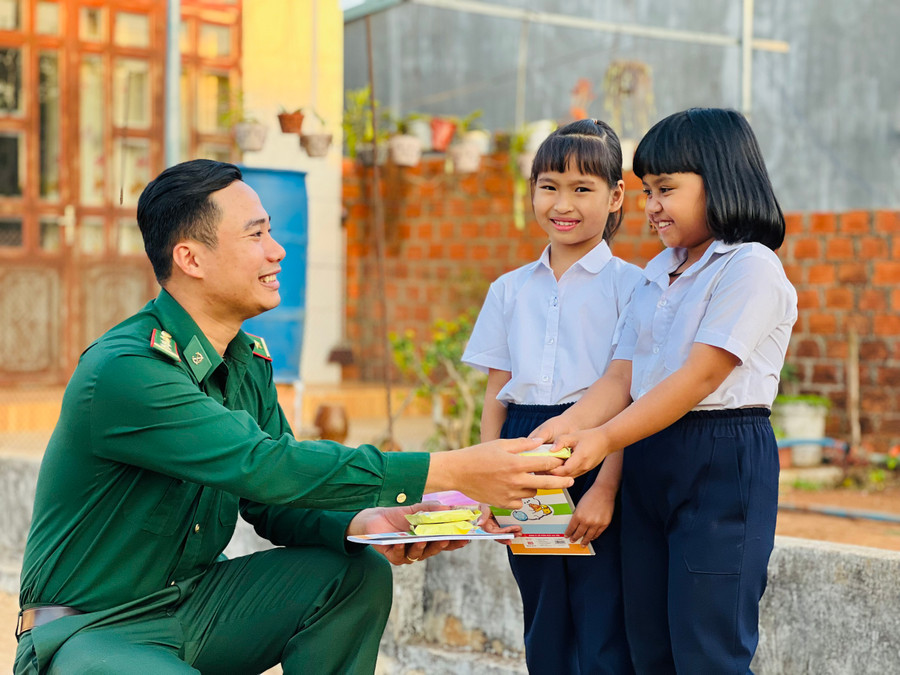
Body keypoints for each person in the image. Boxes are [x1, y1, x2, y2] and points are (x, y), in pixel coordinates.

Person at [13, 159, 574, 675]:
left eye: (271, 232)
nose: (277, 251)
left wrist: (370, 521)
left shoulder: (245, 360)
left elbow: (275, 501)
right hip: (92, 629)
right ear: (191, 258)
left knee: (353, 573)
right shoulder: (127, 370)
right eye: (255, 235)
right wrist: (451, 469)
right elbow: (264, 465)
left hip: (198, 607)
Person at [534, 108, 798, 673]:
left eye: (667, 189)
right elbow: (622, 378)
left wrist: (602, 438)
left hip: (721, 458)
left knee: (709, 648)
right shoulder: (660, 271)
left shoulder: (750, 267)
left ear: (722, 179)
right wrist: (565, 427)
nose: (651, 206)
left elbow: (698, 378)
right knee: (647, 643)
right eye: (647, 190)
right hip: (649, 453)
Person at [464, 119, 641, 674]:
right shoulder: (509, 289)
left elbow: (628, 399)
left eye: (582, 189)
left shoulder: (633, 286)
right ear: (533, 191)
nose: (563, 203)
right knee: (542, 603)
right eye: (549, 186)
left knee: (600, 605)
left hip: (597, 449)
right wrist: (484, 474)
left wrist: (605, 489)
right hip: (523, 447)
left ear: (615, 197)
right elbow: (497, 389)